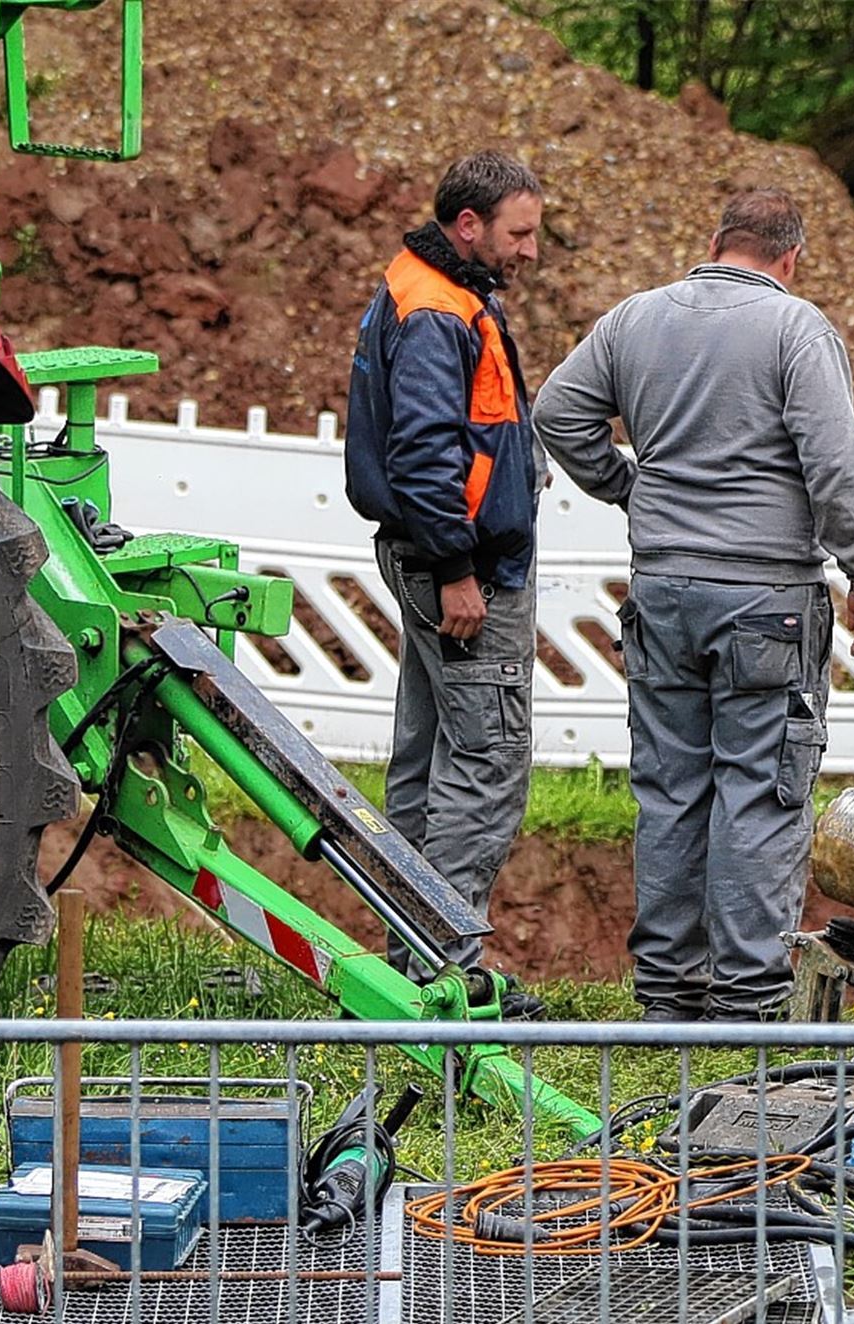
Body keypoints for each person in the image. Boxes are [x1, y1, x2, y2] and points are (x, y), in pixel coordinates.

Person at [533, 187, 854, 1022]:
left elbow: (557, 411)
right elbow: (834, 464)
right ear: (790, 256)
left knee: (671, 791)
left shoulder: (635, 319)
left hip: (661, 592)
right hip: (767, 600)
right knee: (759, 793)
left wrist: (631, 488)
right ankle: (745, 1001)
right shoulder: (796, 329)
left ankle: (668, 994)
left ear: (718, 241)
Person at [345, 151, 545, 1017]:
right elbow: (426, 453)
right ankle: (448, 973)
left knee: (427, 763)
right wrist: (459, 569)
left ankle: (415, 959)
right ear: (469, 225)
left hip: (433, 557)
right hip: (462, 574)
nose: (530, 250)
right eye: (519, 233)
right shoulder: (436, 311)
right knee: (485, 762)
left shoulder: (437, 290)